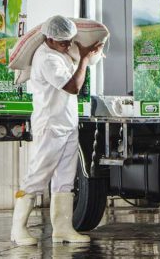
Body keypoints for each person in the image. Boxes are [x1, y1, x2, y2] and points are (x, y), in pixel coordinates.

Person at [10, 15, 104, 246]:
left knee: (64, 181)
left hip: (67, 126)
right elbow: (73, 87)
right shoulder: (46, 59)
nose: (68, 45)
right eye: (63, 42)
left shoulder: (62, 53)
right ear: (49, 38)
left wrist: (87, 54)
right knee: (36, 177)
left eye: (70, 41)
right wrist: (83, 59)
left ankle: (63, 229)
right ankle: (18, 229)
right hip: (50, 127)